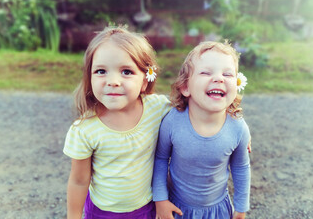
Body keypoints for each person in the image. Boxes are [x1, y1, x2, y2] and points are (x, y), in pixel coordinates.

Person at [63, 26, 172, 219]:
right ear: (89, 76)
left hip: (145, 208)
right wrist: (73, 216)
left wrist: (233, 125)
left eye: (127, 72)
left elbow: (195, 110)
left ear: (145, 80)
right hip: (101, 213)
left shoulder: (157, 108)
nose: (113, 81)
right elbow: (79, 181)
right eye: (101, 71)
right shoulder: (85, 129)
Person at [153, 41, 251, 219]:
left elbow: (241, 166)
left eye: (228, 74)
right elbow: (160, 159)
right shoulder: (173, 122)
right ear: (185, 87)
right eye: (206, 72)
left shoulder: (238, 128)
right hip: (177, 208)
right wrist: (160, 200)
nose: (219, 78)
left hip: (217, 210)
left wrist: (241, 208)